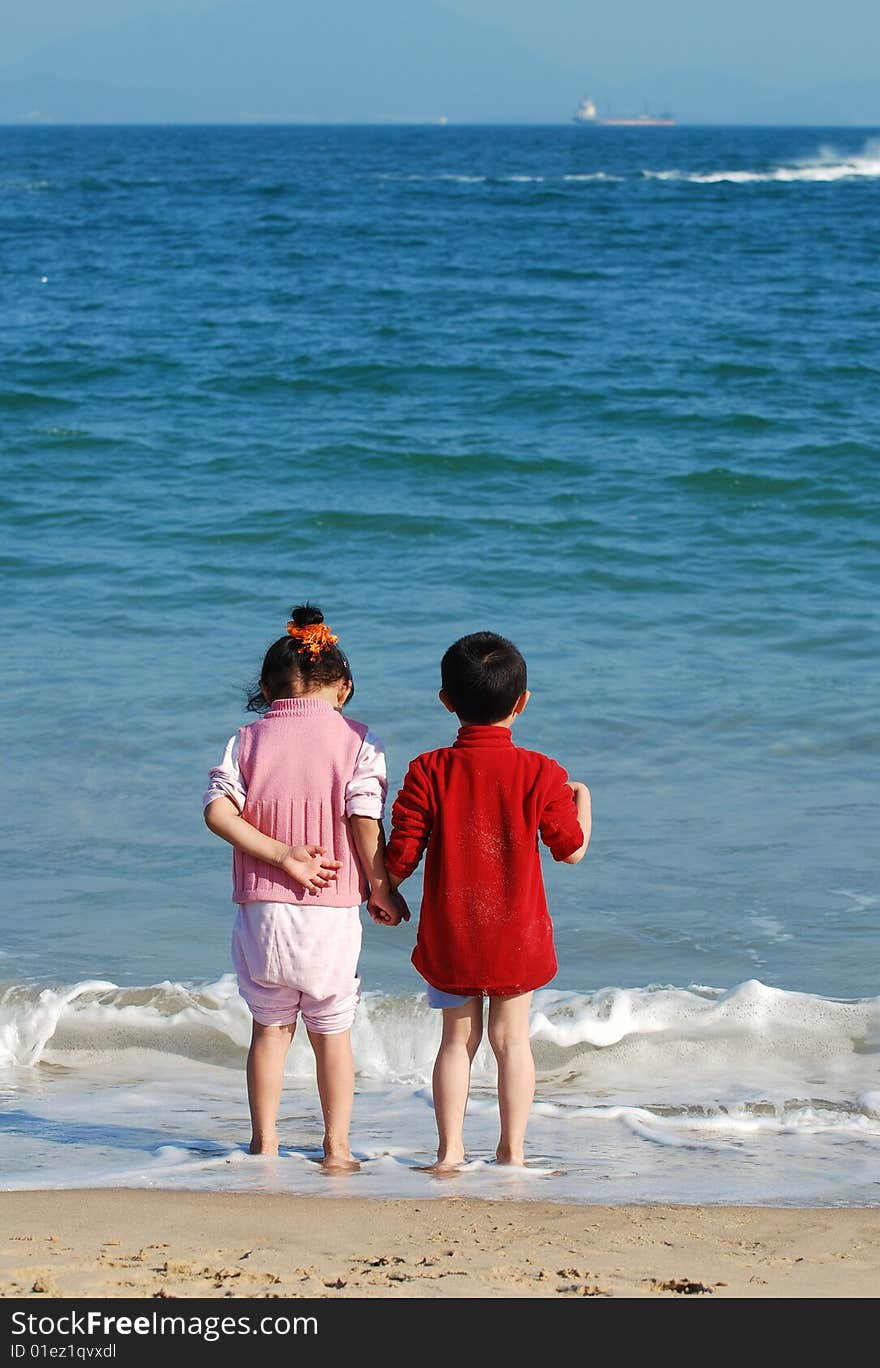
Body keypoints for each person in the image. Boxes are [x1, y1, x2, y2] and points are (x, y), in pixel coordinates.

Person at [203, 603, 408, 1168]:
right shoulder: (358, 740)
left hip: (263, 912)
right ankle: (336, 1147)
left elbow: (218, 812)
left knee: (270, 1030)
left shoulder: (246, 740)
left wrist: (279, 854)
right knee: (331, 1032)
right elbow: (365, 819)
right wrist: (381, 886)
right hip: (331, 908)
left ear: (267, 690)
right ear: (343, 687)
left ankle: (263, 1142)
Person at [385, 630, 591, 1170]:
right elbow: (570, 850)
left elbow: (401, 854)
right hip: (516, 934)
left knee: (457, 1042)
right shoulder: (542, 772)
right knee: (511, 1042)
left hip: (452, 932)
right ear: (521, 704)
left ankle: (450, 1153)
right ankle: (512, 1152)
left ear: (447, 701)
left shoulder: (428, 769)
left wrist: (383, 892)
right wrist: (583, 799)